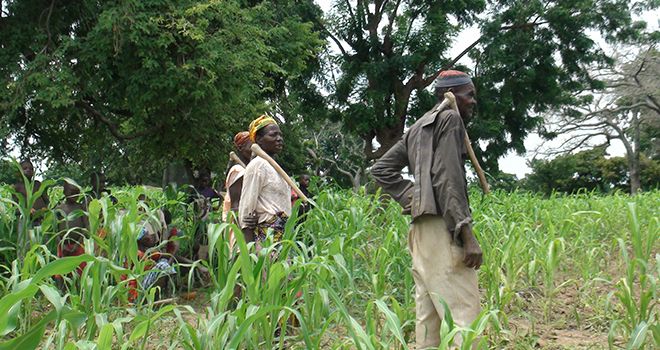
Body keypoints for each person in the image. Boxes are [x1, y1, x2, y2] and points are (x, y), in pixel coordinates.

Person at [371, 70, 483, 349]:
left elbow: (381, 170)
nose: (473, 102)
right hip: (442, 228)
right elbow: (449, 179)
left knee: (428, 319)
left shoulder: (420, 125)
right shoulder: (450, 118)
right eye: (469, 95)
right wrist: (466, 234)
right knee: (463, 315)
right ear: (453, 95)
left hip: (420, 232)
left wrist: (417, 197)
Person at [239, 115, 291, 247]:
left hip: (284, 234)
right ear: (259, 140)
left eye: (280, 135)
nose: (279, 139)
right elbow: (246, 209)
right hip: (268, 236)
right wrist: (249, 250)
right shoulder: (258, 165)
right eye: (273, 135)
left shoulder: (275, 167)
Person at [54, 181, 89, 282]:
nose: (75, 195)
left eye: (77, 193)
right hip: (63, 245)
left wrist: (78, 243)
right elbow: (55, 229)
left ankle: (79, 290)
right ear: (65, 192)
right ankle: (61, 290)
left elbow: (85, 227)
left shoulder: (81, 208)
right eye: (72, 192)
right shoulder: (59, 208)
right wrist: (61, 244)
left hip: (78, 245)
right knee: (61, 270)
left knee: (79, 270)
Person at [222, 131, 252, 222]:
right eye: (251, 146)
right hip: (238, 228)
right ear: (240, 148)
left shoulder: (249, 170)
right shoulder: (238, 171)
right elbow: (236, 207)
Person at [13, 159, 50, 225]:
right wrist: (27, 211)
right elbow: (15, 207)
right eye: (25, 168)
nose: (28, 170)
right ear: (19, 172)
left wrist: (45, 208)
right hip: (25, 221)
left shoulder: (38, 184)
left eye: (31, 169)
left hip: (41, 218)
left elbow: (47, 200)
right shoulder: (17, 187)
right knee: (27, 235)